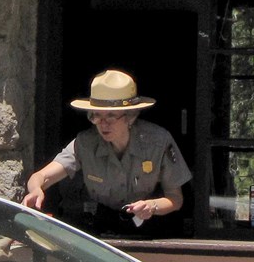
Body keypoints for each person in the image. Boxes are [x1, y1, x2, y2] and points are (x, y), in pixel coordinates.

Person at [23, 69, 190, 238]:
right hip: (102, 228)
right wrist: (36, 189)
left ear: (130, 117)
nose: (103, 124)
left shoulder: (158, 142)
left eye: (111, 116)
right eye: (96, 116)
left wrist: (151, 206)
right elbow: (41, 176)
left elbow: (175, 199)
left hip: (152, 229)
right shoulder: (85, 143)